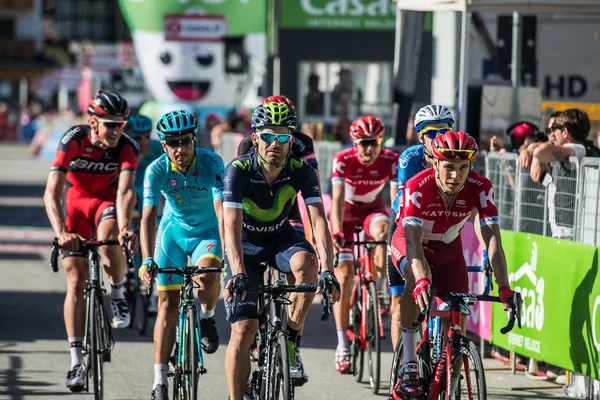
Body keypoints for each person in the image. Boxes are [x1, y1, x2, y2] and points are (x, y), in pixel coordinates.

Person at [222, 101, 340, 400]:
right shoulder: (238, 170)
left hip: (279, 237)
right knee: (243, 331)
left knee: (307, 264)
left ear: (292, 139)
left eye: (284, 136)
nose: (275, 143)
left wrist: (328, 269)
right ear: (256, 137)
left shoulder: (301, 170)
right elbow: (231, 227)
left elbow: (318, 220)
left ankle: (289, 337)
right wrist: (236, 273)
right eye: (268, 136)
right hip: (245, 246)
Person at [390, 131, 519, 399]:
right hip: (412, 243)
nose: (455, 175)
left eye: (463, 168)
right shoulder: (417, 185)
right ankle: (409, 364)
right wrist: (423, 278)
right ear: (434, 163)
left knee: (456, 314)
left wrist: (505, 287)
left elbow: (493, 240)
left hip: (449, 249)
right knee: (415, 279)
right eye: (448, 167)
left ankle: (451, 380)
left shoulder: (480, 186)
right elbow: (413, 244)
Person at [43, 90, 139, 392]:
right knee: (75, 280)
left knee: (110, 243)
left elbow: (125, 192)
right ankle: (75, 361)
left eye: (120, 124)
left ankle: (118, 292)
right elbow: (52, 191)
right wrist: (61, 233)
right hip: (75, 206)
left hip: (106, 204)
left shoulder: (127, 146)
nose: (114, 130)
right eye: (109, 123)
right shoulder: (73, 139)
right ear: (92, 121)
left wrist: (125, 228)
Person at [138, 110, 225, 400]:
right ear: (163, 145)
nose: (180, 149)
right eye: (173, 142)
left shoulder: (212, 163)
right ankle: (160, 379)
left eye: (186, 141)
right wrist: (147, 258)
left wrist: (229, 255)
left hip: (207, 233)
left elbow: (222, 211)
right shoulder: (156, 170)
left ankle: (208, 316)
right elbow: (149, 216)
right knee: (167, 307)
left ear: (194, 139)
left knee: (209, 278)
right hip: (172, 233)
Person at [330, 116, 398, 373]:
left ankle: (379, 290)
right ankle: (342, 346)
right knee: (345, 276)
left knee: (384, 231)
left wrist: (397, 229)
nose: (369, 148)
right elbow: (336, 200)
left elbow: (394, 199)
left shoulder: (390, 160)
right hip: (345, 216)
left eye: (374, 142)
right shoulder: (343, 159)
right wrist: (336, 232)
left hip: (372, 210)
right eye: (363, 143)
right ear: (354, 143)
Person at [389, 104, 455, 350]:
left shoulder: (457, 158)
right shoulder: (410, 158)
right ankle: (404, 364)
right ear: (420, 136)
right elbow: (401, 200)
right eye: (431, 133)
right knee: (399, 300)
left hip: (437, 232)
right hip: (407, 228)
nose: (439, 138)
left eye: (444, 131)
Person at [238, 95, 320, 236]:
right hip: (255, 202)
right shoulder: (247, 143)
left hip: (287, 202)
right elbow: (238, 181)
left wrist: (315, 232)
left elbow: (314, 179)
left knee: (299, 244)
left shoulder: (303, 141)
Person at [524, 109, 600, 240]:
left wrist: (537, 158)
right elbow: (535, 150)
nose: (551, 135)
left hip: (573, 232)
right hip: (562, 230)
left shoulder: (579, 148)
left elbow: (540, 152)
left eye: (554, 130)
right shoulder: (566, 150)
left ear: (565, 132)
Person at [125, 113, 164, 312]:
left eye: (147, 136)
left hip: (151, 198)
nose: (143, 142)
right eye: (138, 138)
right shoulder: (124, 151)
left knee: (153, 234)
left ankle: (149, 290)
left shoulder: (157, 149)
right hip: (130, 197)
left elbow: (166, 181)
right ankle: (125, 270)